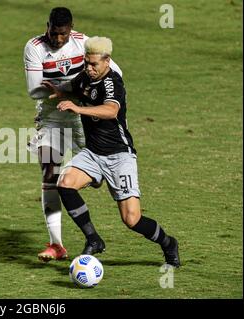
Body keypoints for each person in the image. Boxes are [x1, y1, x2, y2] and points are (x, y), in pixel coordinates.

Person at [47, 36, 180, 267]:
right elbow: (73, 86)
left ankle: (169, 244)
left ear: (107, 61)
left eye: (94, 64)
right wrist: (59, 91)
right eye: (86, 63)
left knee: (131, 219)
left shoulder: (112, 82)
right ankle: (93, 239)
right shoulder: (85, 77)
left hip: (119, 156)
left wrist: (76, 107)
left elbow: (110, 110)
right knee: (65, 183)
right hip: (93, 154)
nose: (88, 68)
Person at [24, 7, 123, 262]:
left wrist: (82, 91)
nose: (58, 39)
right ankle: (56, 244)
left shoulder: (83, 43)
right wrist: (72, 87)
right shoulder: (34, 47)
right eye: (54, 33)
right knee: (49, 172)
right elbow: (35, 91)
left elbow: (115, 72)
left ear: (71, 29)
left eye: (63, 34)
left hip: (83, 116)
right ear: (47, 26)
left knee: (101, 174)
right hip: (52, 117)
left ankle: (92, 176)